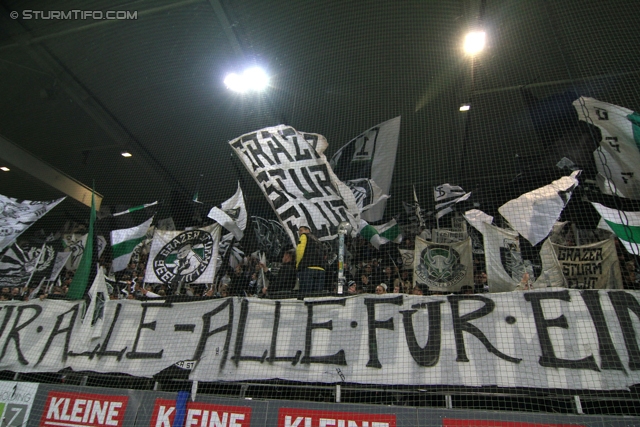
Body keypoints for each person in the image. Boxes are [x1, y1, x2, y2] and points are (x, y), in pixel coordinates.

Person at [296, 225, 326, 296]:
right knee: (316, 295)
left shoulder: (304, 236)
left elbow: (300, 251)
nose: (299, 233)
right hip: (321, 269)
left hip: (307, 268)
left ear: (308, 231)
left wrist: (297, 265)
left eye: (301, 230)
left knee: (305, 294)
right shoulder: (318, 241)